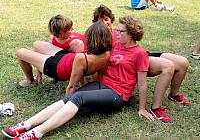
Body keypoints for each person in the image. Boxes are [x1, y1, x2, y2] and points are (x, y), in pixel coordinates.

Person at [2, 15, 154, 140]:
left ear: (131, 34)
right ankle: (26, 125)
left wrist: (142, 108)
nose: (116, 33)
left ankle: (37, 133)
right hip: (103, 84)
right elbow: (99, 38)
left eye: (120, 31)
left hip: (118, 94)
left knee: (78, 97)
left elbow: (142, 84)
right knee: (71, 97)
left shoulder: (140, 54)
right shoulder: (117, 44)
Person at [93, 4, 190, 123]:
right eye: (100, 21)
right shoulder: (101, 35)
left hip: (139, 54)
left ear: (111, 19)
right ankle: (156, 107)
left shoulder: (118, 30)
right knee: (168, 66)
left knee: (183, 62)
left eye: (106, 19)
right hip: (127, 60)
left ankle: (173, 94)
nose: (104, 23)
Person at [15, 21, 112, 94]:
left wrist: (66, 105)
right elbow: (95, 74)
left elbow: (71, 87)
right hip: (66, 57)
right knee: (37, 44)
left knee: (20, 52)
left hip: (56, 67)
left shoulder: (81, 58)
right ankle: (36, 72)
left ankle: (30, 80)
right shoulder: (106, 54)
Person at [30, 14, 86, 86]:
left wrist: (82, 85)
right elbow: (45, 56)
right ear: (61, 33)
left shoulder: (76, 44)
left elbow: (80, 64)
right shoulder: (52, 39)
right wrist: (39, 74)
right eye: (70, 29)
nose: (73, 30)